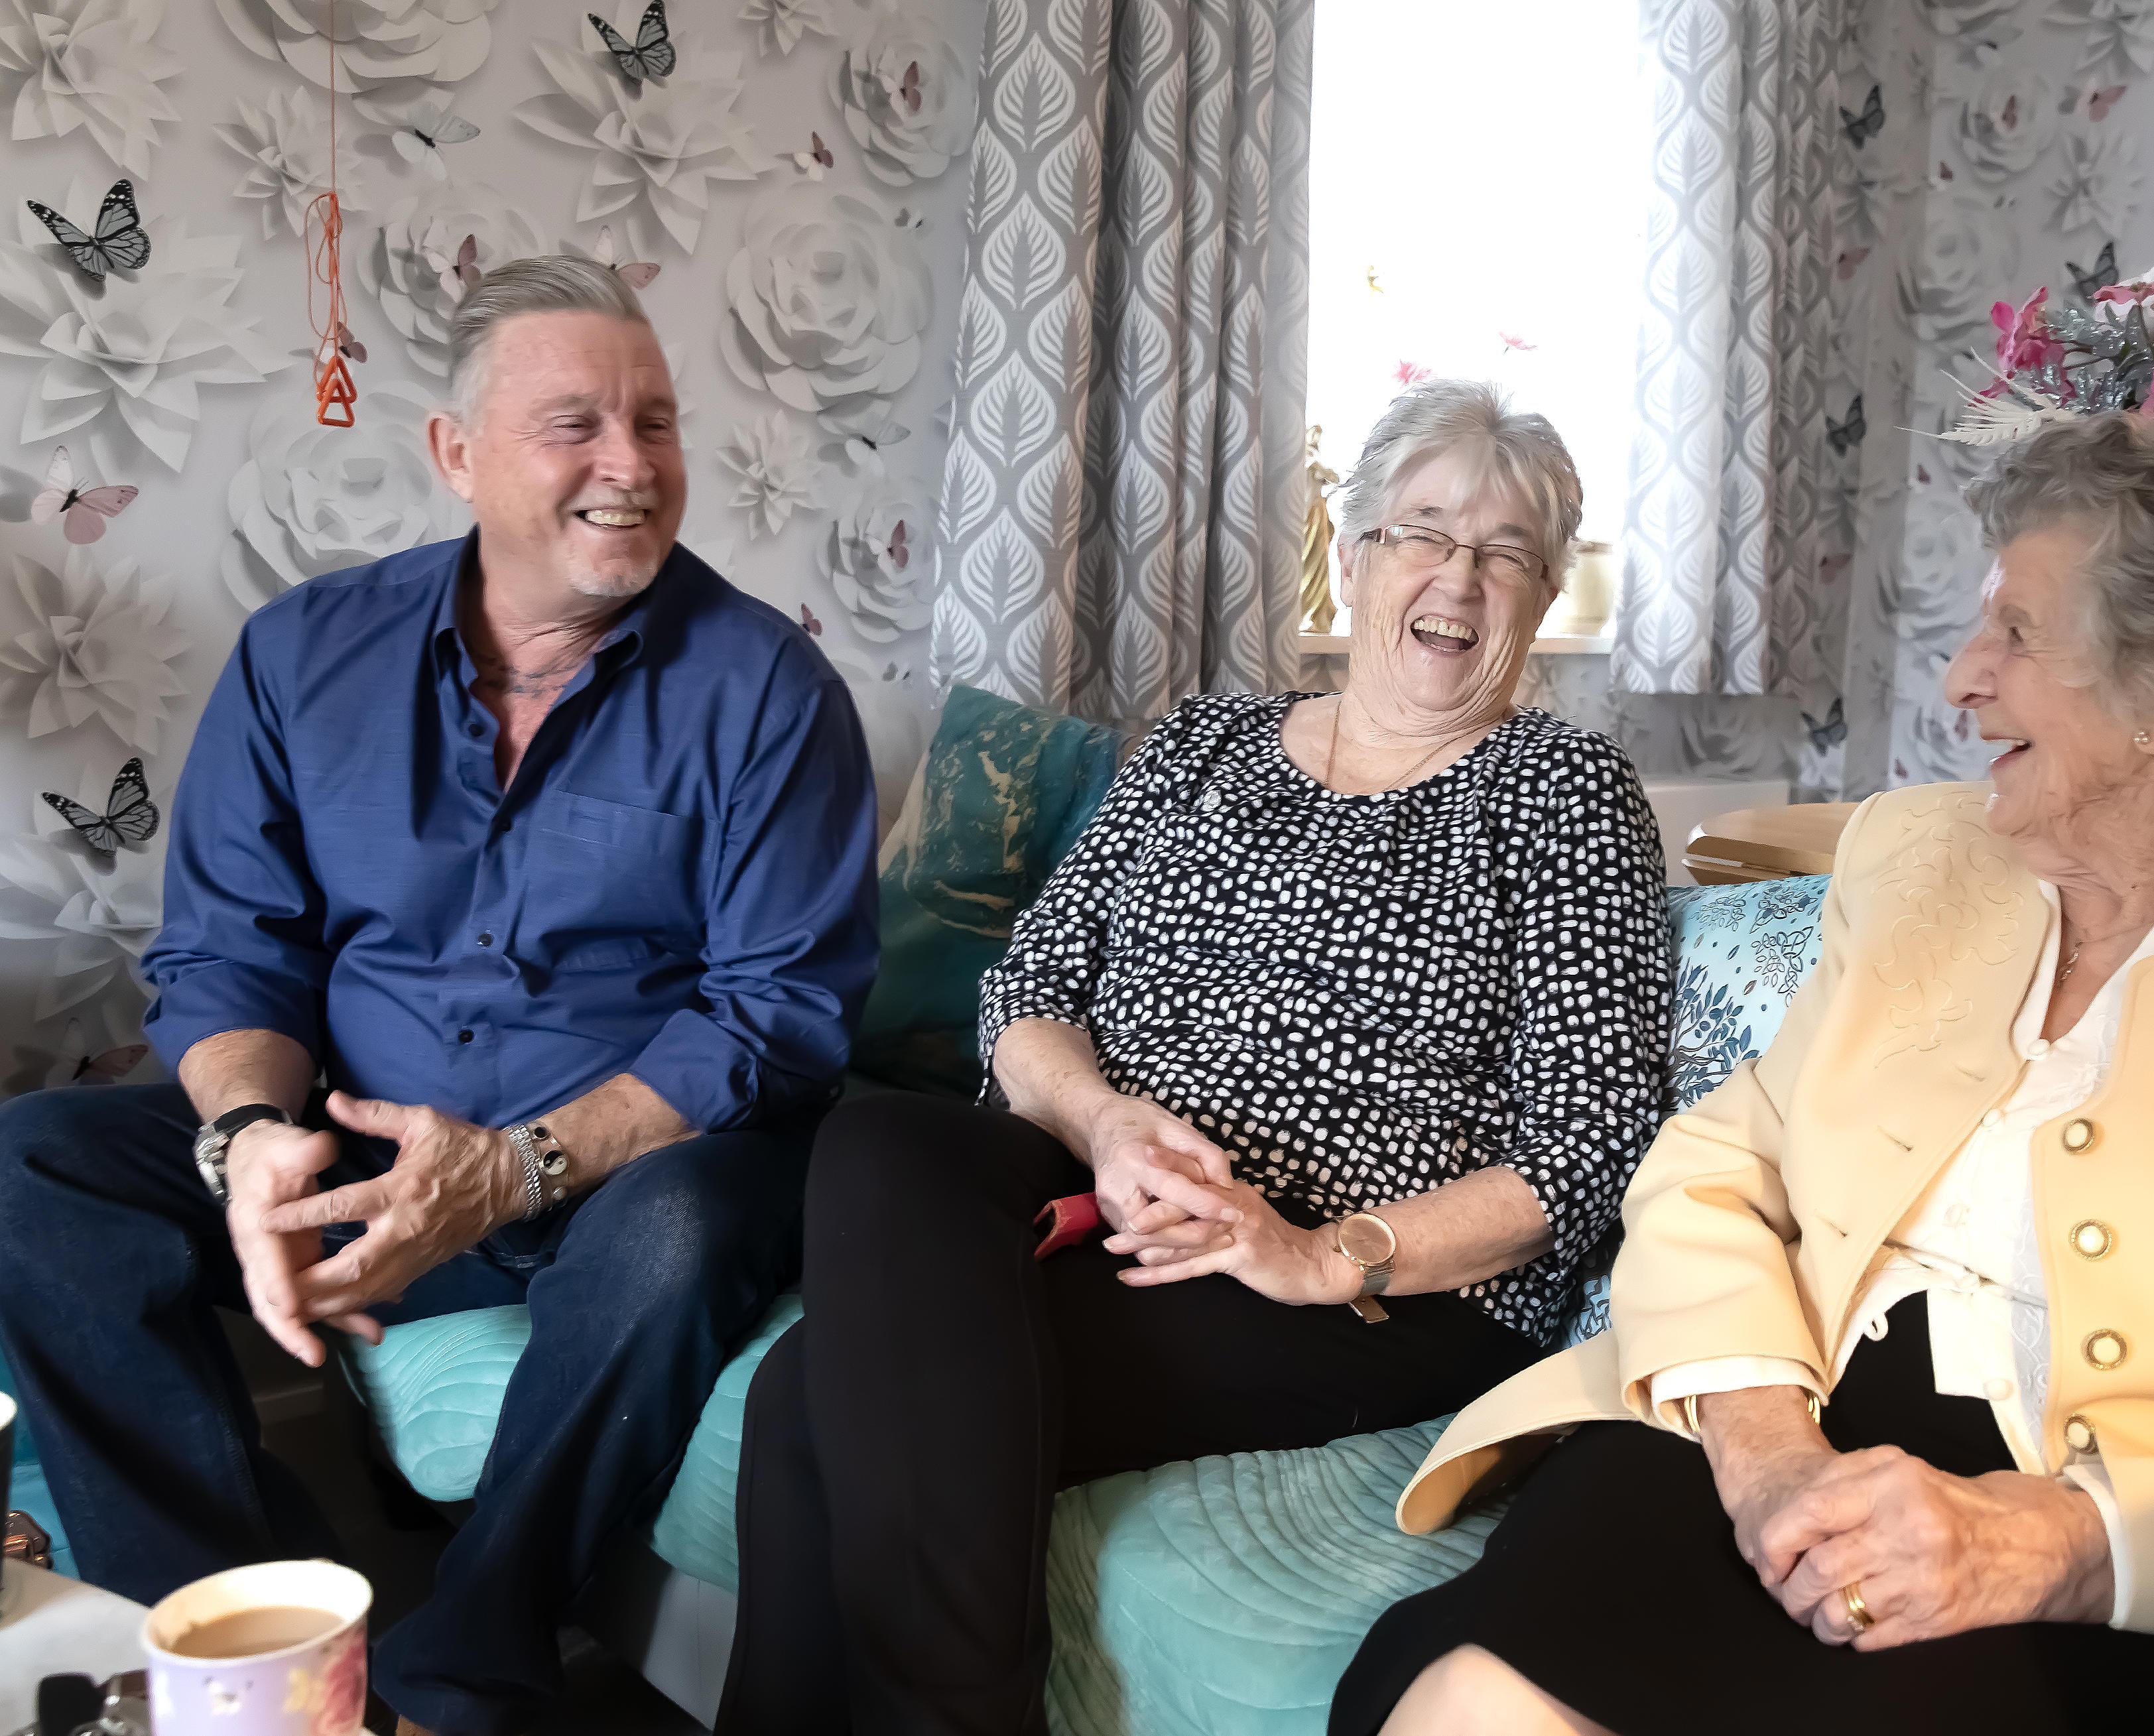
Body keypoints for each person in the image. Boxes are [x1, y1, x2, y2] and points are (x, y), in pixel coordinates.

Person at [1332, 411, 2154, 1735]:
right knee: (1471, 1687)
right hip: (1759, 1429)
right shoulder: (1919, 855)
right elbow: (1713, 1171)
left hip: (2099, 1561)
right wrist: (1766, 1454)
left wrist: (2058, 1542)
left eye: (2017, 633)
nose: (1963, 679)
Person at [0, 257, 879, 1736]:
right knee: (33, 1163)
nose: (630, 465)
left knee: (685, 1225)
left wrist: (522, 1165)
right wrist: (252, 1136)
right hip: (362, 1148)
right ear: (454, 452)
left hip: (624, 1169)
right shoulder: (304, 654)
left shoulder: (769, 690)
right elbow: (229, 949)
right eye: (576, 424)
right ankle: (259, 1647)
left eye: (655, 424)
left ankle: (462, 1673)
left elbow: (773, 1015)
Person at [715, 379, 1673, 1735]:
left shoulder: (1567, 797)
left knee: (811, 1397)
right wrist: (1106, 1129)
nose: (1459, 575)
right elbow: (1033, 986)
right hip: (1109, 1180)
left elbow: (1590, 1148)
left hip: (1369, 1286)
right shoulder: (1206, 738)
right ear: (1352, 559)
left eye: (1507, 550)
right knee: (876, 1144)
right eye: (1424, 532)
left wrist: (1320, 1252)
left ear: (1542, 591)